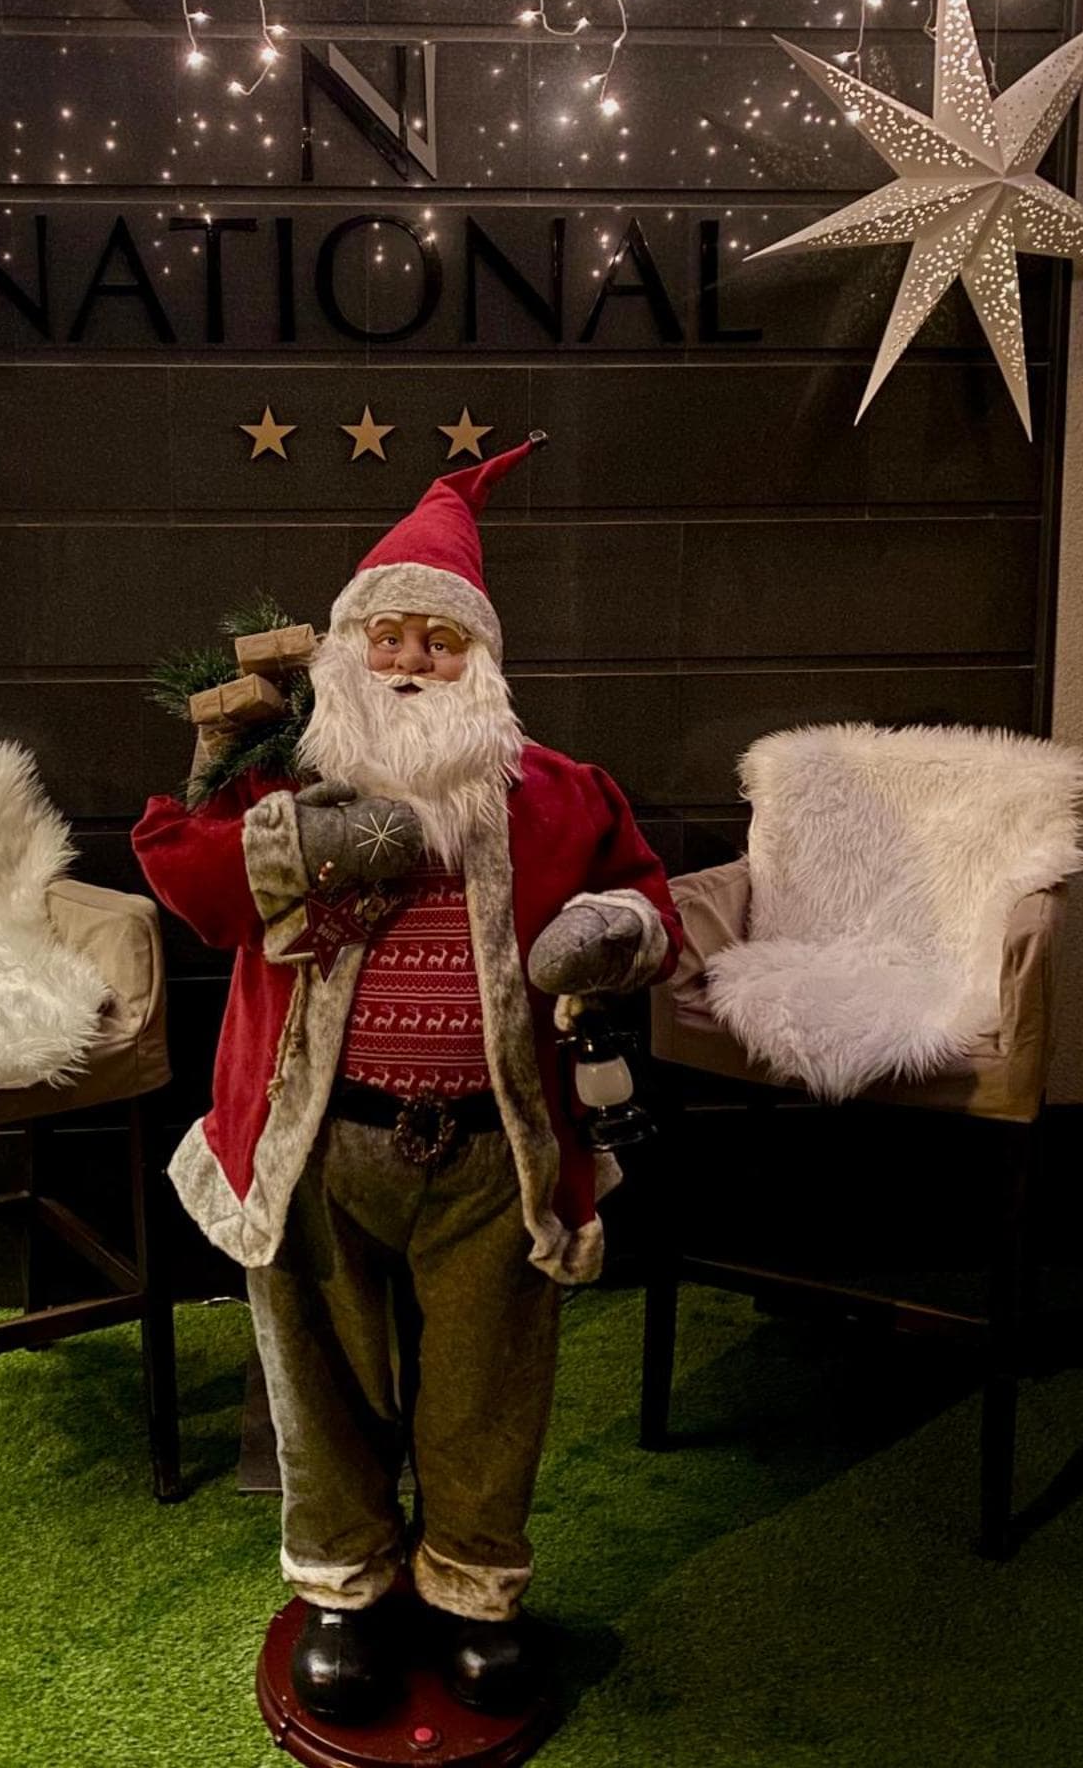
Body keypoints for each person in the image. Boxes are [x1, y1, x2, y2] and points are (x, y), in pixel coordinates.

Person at [132, 437, 682, 1724]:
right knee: (321, 1374)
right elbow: (190, 880)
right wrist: (292, 833)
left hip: (496, 1153)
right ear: (346, 652)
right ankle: (346, 1586)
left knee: (488, 1383)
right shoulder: (281, 778)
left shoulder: (555, 792)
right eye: (388, 636)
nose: (411, 660)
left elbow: (646, 893)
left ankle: (474, 1588)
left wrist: (609, 929)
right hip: (319, 1145)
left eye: (441, 640)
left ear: (481, 663)